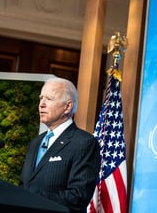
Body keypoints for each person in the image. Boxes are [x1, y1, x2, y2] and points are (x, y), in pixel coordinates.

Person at [19, 77, 100, 212]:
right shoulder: (36, 142)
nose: (41, 104)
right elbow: (24, 185)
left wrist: (31, 197)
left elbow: (78, 196)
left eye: (49, 99)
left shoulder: (84, 142)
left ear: (67, 107)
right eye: (41, 98)